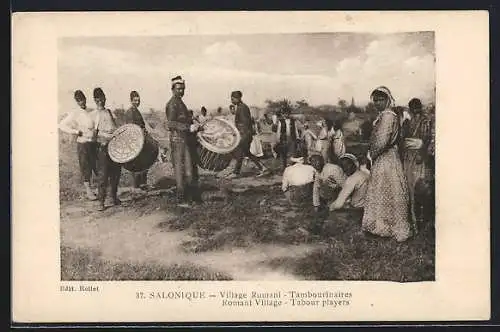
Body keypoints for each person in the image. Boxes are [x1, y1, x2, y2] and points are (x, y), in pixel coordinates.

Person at [361, 86, 411, 242]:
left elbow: (382, 141)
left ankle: (390, 227)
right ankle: (380, 226)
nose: (377, 103)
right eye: (375, 100)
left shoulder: (388, 116)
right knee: (383, 189)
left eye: (380, 99)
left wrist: (371, 155)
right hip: (384, 157)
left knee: (388, 188)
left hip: (386, 157)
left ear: (387, 99)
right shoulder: (384, 115)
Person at [165, 75, 203, 207]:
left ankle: (189, 197)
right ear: (173, 89)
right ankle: (181, 199)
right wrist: (188, 127)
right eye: (178, 88)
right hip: (177, 141)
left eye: (183, 88)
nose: (181, 91)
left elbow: (184, 120)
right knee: (182, 170)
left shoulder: (180, 102)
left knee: (188, 170)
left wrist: (194, 124)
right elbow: (170, 124)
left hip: (184, 140)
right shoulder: (172, 104)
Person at [58, 90, 98, 201]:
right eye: (79, 100)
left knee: (96, 166)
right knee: (86, 167)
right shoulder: (75, 112)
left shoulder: (90, 111)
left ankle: (98, 189)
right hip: (83, 143)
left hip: (92, 143)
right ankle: (89, 191)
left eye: (83, 99)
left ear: (85, 99)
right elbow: (61, 125)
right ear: (76, 102)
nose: (82, 102)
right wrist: (75, 132)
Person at [403, 98, 434, 228]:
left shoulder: (426, 120)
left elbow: (426, 140)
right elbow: (403, 138)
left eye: (417, 108)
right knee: (408, 186)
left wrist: (422, 153)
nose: (415, 110)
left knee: (419, 187)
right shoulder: (407, 121)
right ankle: (411, 218)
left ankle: (420, 219)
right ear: (410, 109)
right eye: (413, 108)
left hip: (419, 156)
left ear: (420, 108)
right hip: (408, 156)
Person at [227, 91, 269, 178]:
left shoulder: (242, 107)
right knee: (247, 153)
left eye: (233, 98)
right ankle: (263, 168)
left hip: (245, 134)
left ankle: (236, 172)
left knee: (240, 152)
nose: (231, 100)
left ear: (238, 98)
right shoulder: (241, 107)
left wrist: (239, 133)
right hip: (245, 134)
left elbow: (245, 123)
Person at [93, 88, 122, 211]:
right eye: (98, 99)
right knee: (103, 175)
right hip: (103, 147)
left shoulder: (110, 112)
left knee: (116, 172)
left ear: (105, 98)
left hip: (114, 146)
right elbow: (94, 135)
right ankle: (101, 201)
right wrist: (103, 139)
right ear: (95, 100)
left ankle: (114, 197)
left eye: (102, 98)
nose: (101, 101)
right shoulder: (94, 115)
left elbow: (116, 128)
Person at [124, 90, 156, 191]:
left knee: (143, 161)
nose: (137, 102)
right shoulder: (130, 112)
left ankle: (142, 184)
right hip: (135, 140)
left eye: (138, 100)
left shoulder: (137, 111)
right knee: (136, 163)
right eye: (135, 100)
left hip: (141, 139)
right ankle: (136, 186)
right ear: (131, 100)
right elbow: (132, 127)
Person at [276, 107, 300, 172]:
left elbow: (296, 130)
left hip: (292, 139)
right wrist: (278, 139)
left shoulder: (293, 121)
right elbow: (278, 131)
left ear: (289, 114)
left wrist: (297, 138)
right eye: (284, 113)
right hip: (283, 139)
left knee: (292, 153)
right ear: (283, 114)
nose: (286, 115)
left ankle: (291, 168)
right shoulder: (281, 121)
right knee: (283, 154)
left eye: (287, 113)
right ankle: (283, 168)